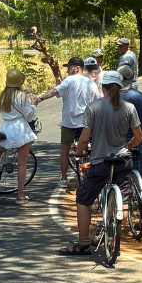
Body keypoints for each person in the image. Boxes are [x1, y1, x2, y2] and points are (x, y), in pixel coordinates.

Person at [64, 70, 142, 255]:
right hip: (123, 160)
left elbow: (84, 139)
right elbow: (139, 136)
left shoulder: (93, 108)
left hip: (100, 162)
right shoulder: (129, 108)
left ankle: (83, 243)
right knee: (123, 200)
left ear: (103, 87)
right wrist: (128, 146)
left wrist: (79, 152)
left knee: (83, 198)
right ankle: (115, 233)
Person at [37, 57, 94, 188]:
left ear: (76, 68)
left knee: (64, 150)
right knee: (90, 148)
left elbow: (55, 91)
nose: (67, 71)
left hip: (69, 122)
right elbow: (98, 100)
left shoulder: (69, 80)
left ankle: (63, 179)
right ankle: (90, 176)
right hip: (85, 122)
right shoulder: (90, 83)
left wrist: (40, 98)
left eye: (69, 68)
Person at [0, 68, 38, 205]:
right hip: (20, 129)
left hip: (5, 127)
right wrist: (33, 105)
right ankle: (20, 195)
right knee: (22, 164)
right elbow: (29, 115)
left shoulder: (3, 95)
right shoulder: (22, 96)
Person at [117, 65, 142, 176]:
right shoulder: (140, 96)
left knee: (117, 176)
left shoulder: (112, 97)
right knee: (137, 176)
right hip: (136, 141)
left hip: (117, 142)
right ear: (132, 79)